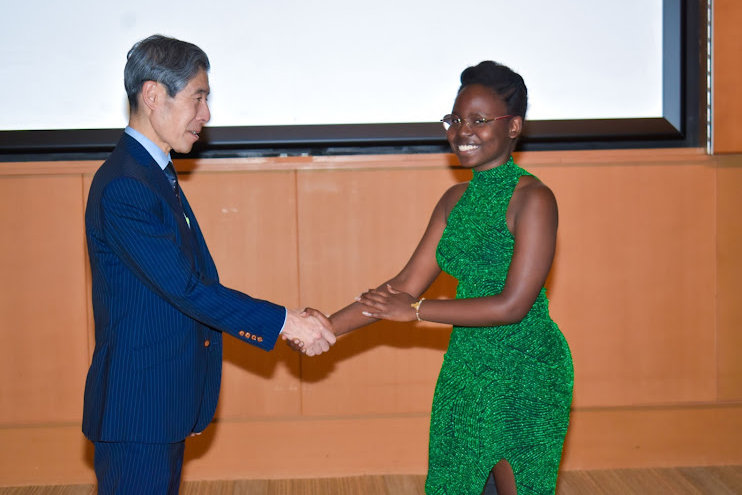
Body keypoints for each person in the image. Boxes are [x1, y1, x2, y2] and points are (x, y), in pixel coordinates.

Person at [82, 34, 335, 494]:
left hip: (159, 404)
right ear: (154, 94)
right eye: (198, 98)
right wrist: (284, 322)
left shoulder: (152, 174)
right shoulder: (126, 186)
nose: (207, 115)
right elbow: (186, 288)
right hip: (139, 410)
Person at [313, 61, 574, 494]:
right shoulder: (455, 199)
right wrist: (326, 327)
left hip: (526, 369)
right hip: (466, 368)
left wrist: (416, 311)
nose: (461, 131)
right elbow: (404, 286)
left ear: (513, 127)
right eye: (455, 119)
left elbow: (513, 305)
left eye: (478, 120)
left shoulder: (534, 199)